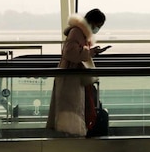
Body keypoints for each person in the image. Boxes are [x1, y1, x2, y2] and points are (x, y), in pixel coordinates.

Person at [46, 9, 107, 137]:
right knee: (70, 109)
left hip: (72, 76)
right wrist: (89, 53)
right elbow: (69, 52)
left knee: (72, 109)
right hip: (70, 77)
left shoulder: (80, 32)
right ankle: (71, 137)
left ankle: (72, 135)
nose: (98, 29)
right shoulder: (77, 32)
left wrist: (91, 52)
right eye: (98, 25)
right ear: (92, 22)